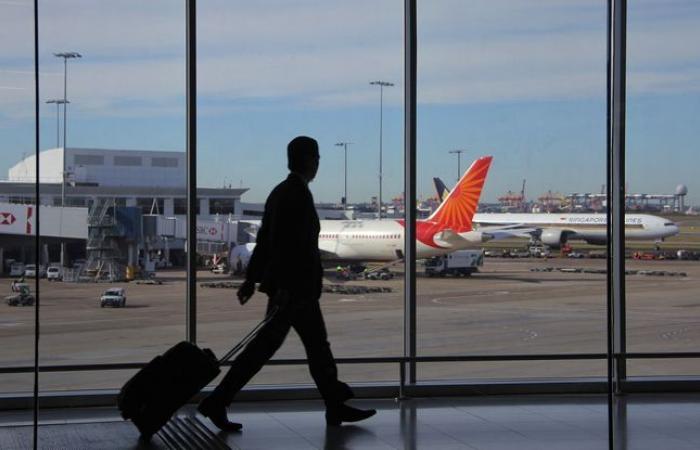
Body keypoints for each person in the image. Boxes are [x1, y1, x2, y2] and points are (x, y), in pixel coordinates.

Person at [198, 136, 376, 431]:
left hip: (294, 289)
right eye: (317, 158)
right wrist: (280, 286)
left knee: (309, 348)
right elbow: (285, 246)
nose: (319, 163)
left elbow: (266, 240)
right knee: (284, 349)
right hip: (294, 291)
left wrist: (251, 280)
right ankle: (218, 400)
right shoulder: (296, 195)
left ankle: (334, 405)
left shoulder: (281, 192)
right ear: (307, 160)